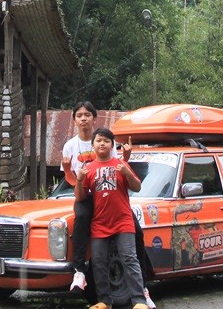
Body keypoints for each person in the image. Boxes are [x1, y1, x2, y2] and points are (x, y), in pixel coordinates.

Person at [62, 102, 155, 308]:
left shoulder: (110, 151)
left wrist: (127, 162)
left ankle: (142, 293)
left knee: (136, 237)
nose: (83, 118)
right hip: (89, 198)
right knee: (83, 220)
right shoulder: (70, 146)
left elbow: (125, 175)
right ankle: (79, 272)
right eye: (79, 115)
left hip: (116, 207)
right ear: (75, 119)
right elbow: (73, 184)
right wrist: (74, 175)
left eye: (87, 114)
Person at [76, 127, 147, 309]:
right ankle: (104, 301)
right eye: (99, 140)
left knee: (129, 259)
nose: (102, 144)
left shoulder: (120, 164)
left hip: (123, 221)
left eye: (106, 141)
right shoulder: (89, 169)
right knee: (99, 263)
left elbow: (137, 187)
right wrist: (79, 180)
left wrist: (127, 172)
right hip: (99, 223)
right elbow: (80, 198)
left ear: (112, 145)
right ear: (93, 145)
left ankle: (139, 301)